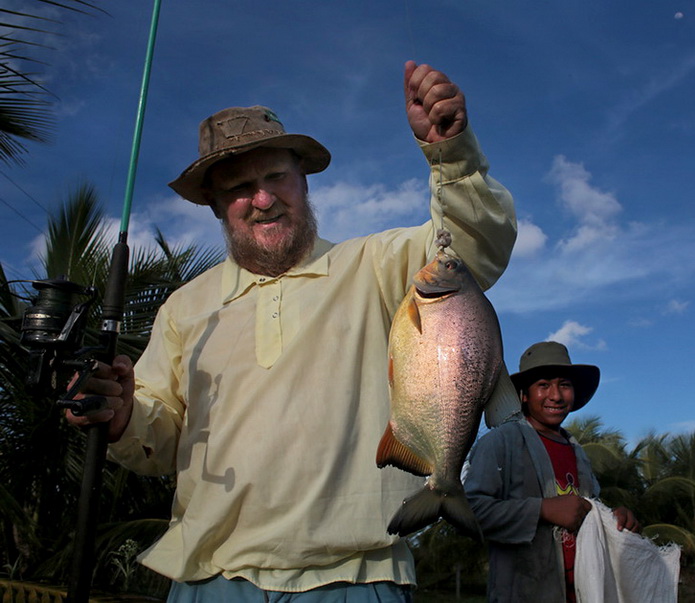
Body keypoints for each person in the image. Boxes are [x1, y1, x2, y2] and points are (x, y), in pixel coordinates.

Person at [67, 61, 516, 601]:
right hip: (212, 577)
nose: (263, 199)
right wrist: (121, 419)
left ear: (303, 181)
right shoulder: (185, 307)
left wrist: (452, 154)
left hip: (358, 575)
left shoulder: (378, 264)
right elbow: (159, 440)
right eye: (239, 187)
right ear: (215, 206)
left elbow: (473, 246)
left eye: (276, 177)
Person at [463, 341, 640, 602]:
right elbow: (470, 513)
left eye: (564, 385)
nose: (555, 395)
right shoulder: (500, 443)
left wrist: (614, 519)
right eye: (543, 385)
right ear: (524, 394)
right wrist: (542, 510)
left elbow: (587, 514)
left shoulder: (578, 453)